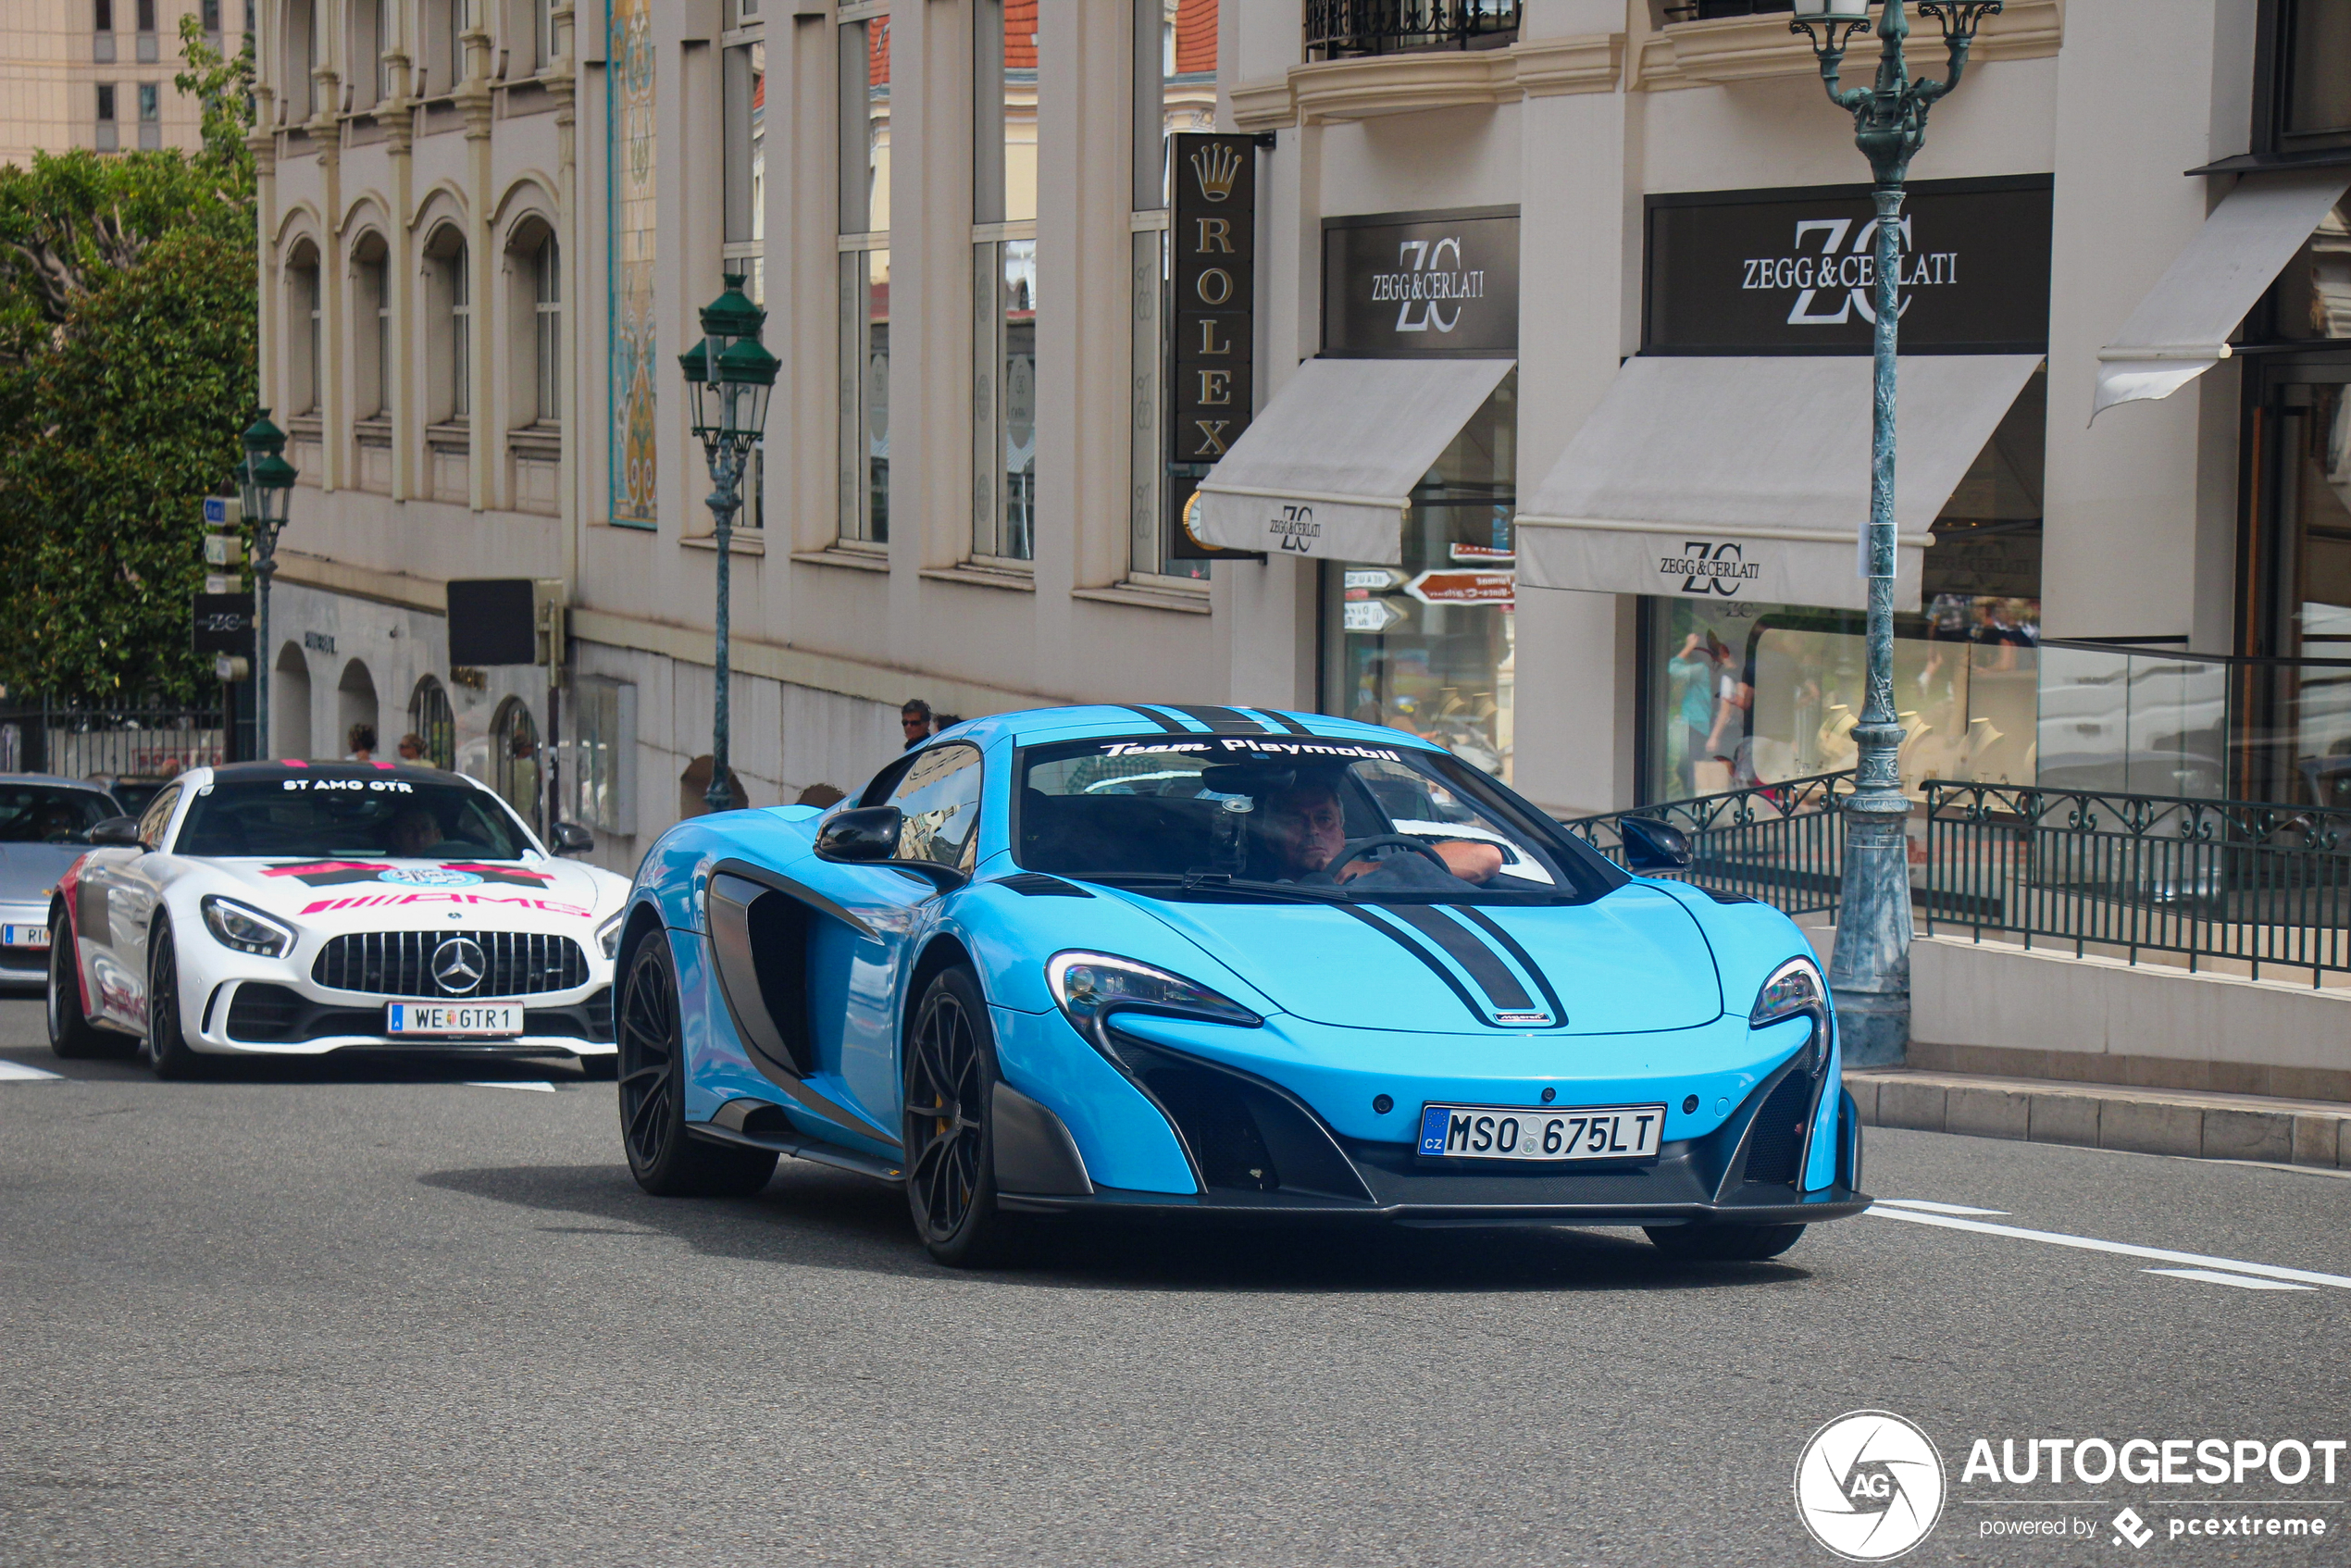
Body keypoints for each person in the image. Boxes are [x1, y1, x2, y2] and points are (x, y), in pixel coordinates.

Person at [1252, 776, 1504, 889]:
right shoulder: (1252, 892)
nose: (1312, 830)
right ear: (1272, 839)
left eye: (1324, 818)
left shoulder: (1376, 870)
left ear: (1342, 836)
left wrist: (1363, 870)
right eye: (1296, 820)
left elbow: (1487, 858)